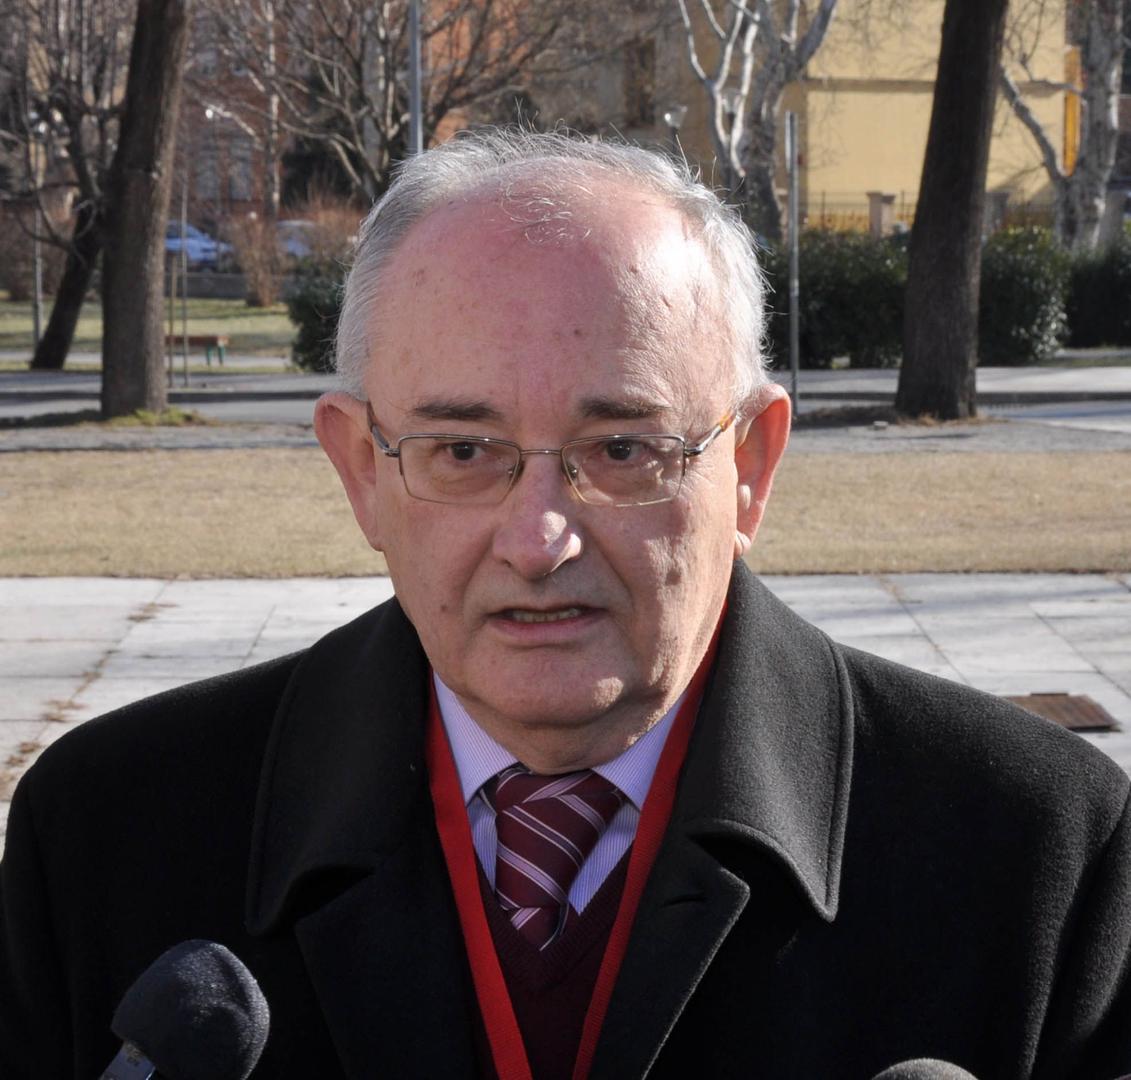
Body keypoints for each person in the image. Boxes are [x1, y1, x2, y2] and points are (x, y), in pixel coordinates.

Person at [1, 130, 1129, 1079]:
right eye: (462, 450)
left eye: (622, 449)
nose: (539, 540)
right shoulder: (106, 838)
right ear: (360, 470)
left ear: (750, 467)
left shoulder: (1040, 857)